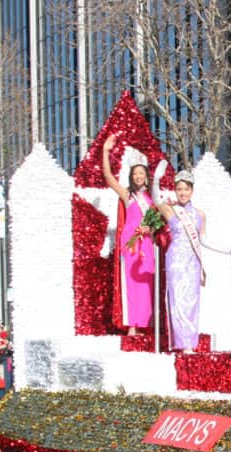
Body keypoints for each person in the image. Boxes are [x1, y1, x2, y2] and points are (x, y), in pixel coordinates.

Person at [151, 162, 211, 353]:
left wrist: (228, 247)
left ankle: (190, 343)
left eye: (186, 189)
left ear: (192, 190)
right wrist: (156, 179)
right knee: (177, 300)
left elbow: (204, 241)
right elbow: (155, 197)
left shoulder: (201, 214)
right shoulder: (171, 210)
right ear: (175, 191)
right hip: (175, 260)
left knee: (192, 300)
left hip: (193, 261)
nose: (183, 193)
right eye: (179, 189)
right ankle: (181, 342)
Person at [102, 134, 155, 335]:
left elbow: (158, 221)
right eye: (135, 174)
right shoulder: (127, 195)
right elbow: (108, 178)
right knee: (131, 284)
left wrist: (151, 229)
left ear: (146, 175)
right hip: (131, 243)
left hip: (147, 243)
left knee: (146, 283)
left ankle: (145, 324)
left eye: (141, 173)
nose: (138, 177)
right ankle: (132, 326)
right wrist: (106, 151)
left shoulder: (153, 197)